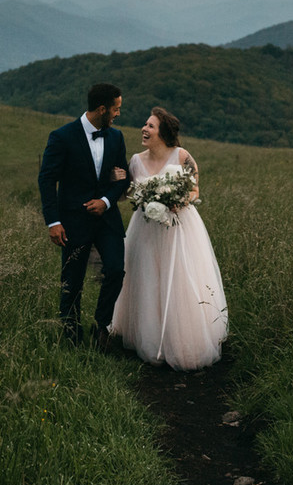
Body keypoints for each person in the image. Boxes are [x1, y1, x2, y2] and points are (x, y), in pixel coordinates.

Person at [111, 107, 228, 370]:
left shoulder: (183, 156)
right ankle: (150, 339)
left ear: (163, 132)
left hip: (179, 228)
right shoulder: (135, 161)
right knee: (147, 279)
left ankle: (182, 340)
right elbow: (126, 194)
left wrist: (178, 201)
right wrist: (114, 180)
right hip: (146, 230)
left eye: (150, 126)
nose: (144, 129)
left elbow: (195, 189)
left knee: (179, 280)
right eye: (145, 124)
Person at [38, 83, 130, 350]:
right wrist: (53, 222)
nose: (118, 114)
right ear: (102, 109)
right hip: (72, 223)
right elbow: (47, 180)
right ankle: (71, 341)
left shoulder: (116, 137)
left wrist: (106, 201)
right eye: (116, 109)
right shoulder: (62, 136)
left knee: (115, 270)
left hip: (107, 221)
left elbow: (121, 176)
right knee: (72, 283)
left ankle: (101, 328)